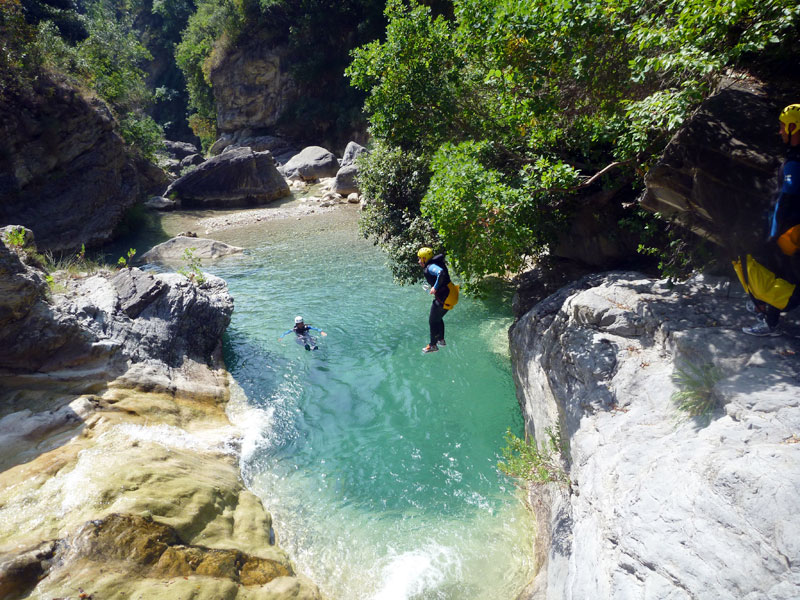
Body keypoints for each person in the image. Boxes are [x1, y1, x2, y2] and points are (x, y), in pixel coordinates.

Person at [739, 103, 800, 336]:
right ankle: (762, 307)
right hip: (792, 228)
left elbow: (787, 199)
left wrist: (773, 232)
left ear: (794, 127)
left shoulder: (795, 162)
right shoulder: (794, 157)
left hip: (789, 230)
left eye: (784, 127)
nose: (781, 131)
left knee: (777, 272)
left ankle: (769, 321)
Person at [418, 247, 459, 353]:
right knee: (437, 317)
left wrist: (435, 287)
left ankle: (433, 345)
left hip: (447, 295)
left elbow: (440, 273)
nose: (419, 261)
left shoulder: (431, 266)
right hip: (452, 293)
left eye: (420, 259)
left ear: (424, 258)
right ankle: (441, 340)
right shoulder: (435, 263)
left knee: (432, 320)